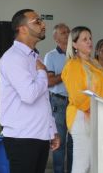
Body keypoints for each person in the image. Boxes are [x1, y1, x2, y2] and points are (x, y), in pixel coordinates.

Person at [0, 9, 60, 173]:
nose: (43, 24)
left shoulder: (34, 57)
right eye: (37, 21)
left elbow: (43, 100)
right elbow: (29, 95)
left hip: (38, 134)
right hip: (22, 137)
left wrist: (52, 129)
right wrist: (42, 74)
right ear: (22, 28)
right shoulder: (13, 57)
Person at [61, 26, 103, 173]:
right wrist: (97, 108)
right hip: (81, 117)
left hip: (98, 115)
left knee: (95, 164)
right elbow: (78, 96)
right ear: (75, 45)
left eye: (90, 38)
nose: (89, 42)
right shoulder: (73, 65)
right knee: (82, 164)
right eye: (85, 39)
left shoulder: (95, 63)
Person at [44, 23, 73, 173]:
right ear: (55, 38)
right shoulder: (51, 56)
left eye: (68, 32)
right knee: (59, 141)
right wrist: (66, 73)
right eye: (63, 33)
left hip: (75, 102)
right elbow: (49, 81)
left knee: (74, 142)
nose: (68, 34)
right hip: (59, 102)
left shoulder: (76, 55)